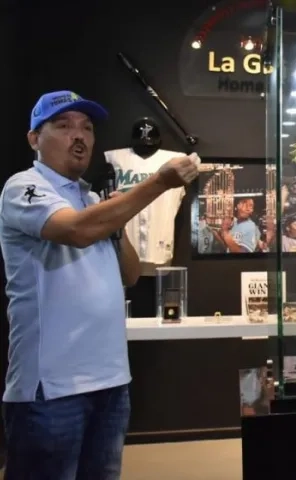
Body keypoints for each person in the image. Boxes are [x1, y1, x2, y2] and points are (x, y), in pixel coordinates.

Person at [0, 90, 199, 479]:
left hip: (111, 383)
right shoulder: (24, 187)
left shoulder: (92, 198)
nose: (79, 136)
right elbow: (74, 230)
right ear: (33, 139)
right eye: (63, 125)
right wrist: (158, 183)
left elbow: (128, 274)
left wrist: (115, 219)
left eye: (87, 128)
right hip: (52, 388)